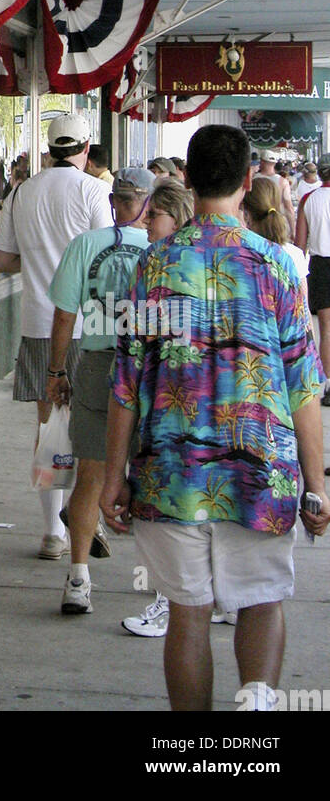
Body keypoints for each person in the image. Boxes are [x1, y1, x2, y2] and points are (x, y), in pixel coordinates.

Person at [101, 124, 330, 712]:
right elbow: (305, 386)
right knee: (261, 601)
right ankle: (254, 711)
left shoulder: (153, 265)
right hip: (262, 472)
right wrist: (317, 483)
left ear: (184, 181)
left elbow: (127, 383)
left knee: (188, 614)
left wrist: (110, 478)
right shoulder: (277, 267)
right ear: (249, 181)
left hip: (172, 474)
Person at [0, 113, 109, 558]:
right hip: (90, 327)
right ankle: (85, 521)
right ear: (84, 148)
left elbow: (2, 260)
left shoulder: (23, 191)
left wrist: (40, 263)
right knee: (92, 431)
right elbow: (104, 252)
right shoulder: (95, 190)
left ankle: (52, 533)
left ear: (48, 149)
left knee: (50, 430)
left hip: (40, 325)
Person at [45, 167, 155, 614]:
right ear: (148, 203)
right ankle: (162, 583)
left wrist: (56, 372)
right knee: (149, 473)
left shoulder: (85, 246)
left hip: (97, 363)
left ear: (114, 201)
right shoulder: (162, 248)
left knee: (90, 474)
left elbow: (64, 316)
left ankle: (78, 580)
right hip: (149, 368)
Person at [119, 178, 194, 639]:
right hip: (179, 417)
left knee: (178, 521)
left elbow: (130, 367)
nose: (145, 223)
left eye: (154, 216)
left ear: (177, 218)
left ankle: (171, 602)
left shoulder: (156, 266)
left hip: (175, 422)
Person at [295, 152, 330, 406]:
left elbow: (299, 243)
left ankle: (329, 385)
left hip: (320, 264)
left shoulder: (309, 198)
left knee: (326, 329)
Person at [258, 149, 294, 230]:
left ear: (262, 162)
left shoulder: (253, 179)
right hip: (278, 224)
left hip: (257, 224)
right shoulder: (283, 181)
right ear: (274, 163)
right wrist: (293, 229)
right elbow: (289, 207)